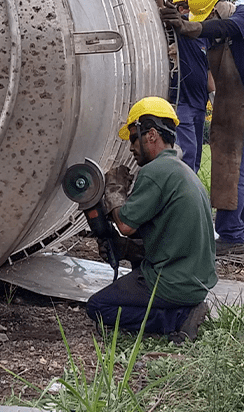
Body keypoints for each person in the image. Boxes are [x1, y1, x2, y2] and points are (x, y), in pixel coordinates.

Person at [86, 97, 216, 341]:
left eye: (134, 139)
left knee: (99, 308)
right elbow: (165, 234)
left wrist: (114, 191)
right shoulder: (180, 170)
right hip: (195, 280)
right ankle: (182, 309)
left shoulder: (155, 171)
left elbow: (124, 225)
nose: (131, 148)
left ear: (152, 135)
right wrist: (126, 249)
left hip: (174, 283)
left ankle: (178, 318)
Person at [160, 0, 244, 256]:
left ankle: (232, 235)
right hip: (230, 106)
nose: (204, 24)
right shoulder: (215, 31)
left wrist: (192, 27)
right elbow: (205, 35)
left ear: (218, 9)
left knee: (233, 171)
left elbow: (226, 28)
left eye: (206, 18)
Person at [169, 0, 214, 173]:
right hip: (182, 103)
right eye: (186, 7)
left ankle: (192, 196)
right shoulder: (176, 33)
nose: (189, 13)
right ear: (179, 9)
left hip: (199, 104)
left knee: (195, 157)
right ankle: (182, 197)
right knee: (186, 153)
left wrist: (214, 98)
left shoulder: (203, 35)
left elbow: (208, 70)